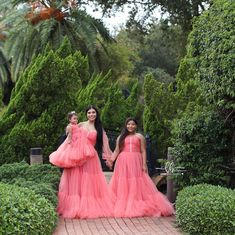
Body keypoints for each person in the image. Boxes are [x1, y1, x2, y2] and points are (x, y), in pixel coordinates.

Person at [50, 106, 113, 219]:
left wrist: (108, 158)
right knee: (76, 181)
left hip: (90, 158)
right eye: (89, 113)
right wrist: (65, 153)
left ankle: (87, 207)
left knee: (87, 182)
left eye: (93, 112)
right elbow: (70, 135)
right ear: (86, 114)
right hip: (78, 157)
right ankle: (74, 207)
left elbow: (105, 144)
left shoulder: (99, 128)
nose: (91, 114)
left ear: (97, 114)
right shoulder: (81, 124)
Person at [107, 117, 174, 218]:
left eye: (133, 124)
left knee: (136, 181)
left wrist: (144, 164)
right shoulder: (121, 137)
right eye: (128, 124)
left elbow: (143, 150)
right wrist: (111, 159)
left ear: (136, 126)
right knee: (123, 182)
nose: (130, 126)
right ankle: (123, 204)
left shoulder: (139, 137)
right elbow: (117, 150)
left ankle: (135, 201)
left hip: (135, 160)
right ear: (126, 125)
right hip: (123, 161)